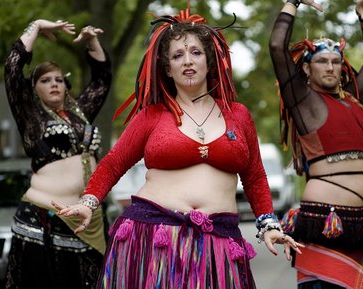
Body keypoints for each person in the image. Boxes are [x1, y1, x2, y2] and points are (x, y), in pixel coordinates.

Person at [52, 5, 303, 289]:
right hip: (153, 238)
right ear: (168, 69)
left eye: (196, 52)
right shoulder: (151, 115)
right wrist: (89, 202)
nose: (187, 61)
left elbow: (255, 176)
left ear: (210, 61)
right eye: (177, 55)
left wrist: (269, 225)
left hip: (219, 242)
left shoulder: (239, 115)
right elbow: (113, 162)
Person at [269, 0, 363, 288]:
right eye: (321, 61)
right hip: (325, 220)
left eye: (336, 61)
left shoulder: (353, 100)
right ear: (306, 69)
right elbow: (277, 47)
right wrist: (292, 3)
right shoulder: (304, 103)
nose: (330, 67)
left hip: (362, 221)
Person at [4, 19, 112, 289]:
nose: (54, 84)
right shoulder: (31, 116)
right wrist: (37, 26)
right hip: (44, 219)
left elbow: (102, 79)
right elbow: (13, 67)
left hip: (89, 218)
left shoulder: (80, 113)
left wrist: (91, 41)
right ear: (34, 88)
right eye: (45, 80)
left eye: (58, 79)